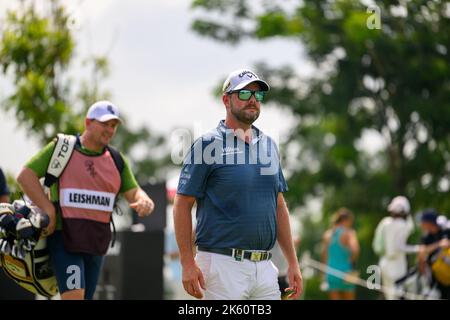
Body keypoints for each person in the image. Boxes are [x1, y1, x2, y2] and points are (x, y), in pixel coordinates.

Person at [173, 68, 303, 300]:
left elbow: (278, 205)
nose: (252, 100)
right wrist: (186, 262)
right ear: (226, 99)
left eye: (257, 95)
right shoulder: (207, 145)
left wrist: (293, 262)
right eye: (244, 94)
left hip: (264, 268)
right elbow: (182, 204)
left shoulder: (269, 145)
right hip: (221, 266)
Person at [16, 100, 155, 300]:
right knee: (74, 297)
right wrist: (48, 209)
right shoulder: (63, 148)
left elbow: (134, 192)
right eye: (105, 123)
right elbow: (25, 175)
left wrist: (144, 201)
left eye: (114, 125)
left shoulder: (116, 159)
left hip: (96, 243)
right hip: (64, 239)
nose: (110, 129)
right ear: (88, 122)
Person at [372, 196, 419, 299]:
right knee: (397, 295)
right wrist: (417, 249)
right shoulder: (403, 225)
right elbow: (400, 247)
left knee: (389, 295)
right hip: (397, 265)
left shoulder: (385, 222)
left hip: (384, 262)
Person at [321, 207, 359, 300]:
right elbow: (355, 249)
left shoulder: (327, 234)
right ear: (346, 220)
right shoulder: (349, 233)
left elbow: (324, 255)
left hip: (331, 272)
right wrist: (351, 260)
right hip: (347, 272)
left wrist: (323, 274)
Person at [417, 209, 450, 299]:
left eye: (422, 221)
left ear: (428, 222)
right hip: (437, 278)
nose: (421, 224)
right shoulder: (426, 238)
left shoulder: (446, 231)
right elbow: (422, 252)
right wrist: (438, 244)